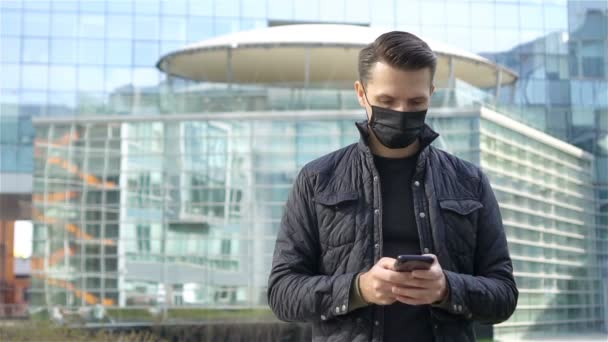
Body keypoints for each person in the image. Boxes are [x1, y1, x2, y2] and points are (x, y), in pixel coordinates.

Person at [267, 31, 518, 342]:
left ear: (432, 93)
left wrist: (446, 288)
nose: (401, 112)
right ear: (361, 93)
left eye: (416, 101)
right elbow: (281, 292)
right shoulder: (317, 179)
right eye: (386, 101)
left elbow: (505, 294)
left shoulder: (469, 182)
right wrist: (359, 288)